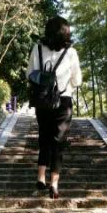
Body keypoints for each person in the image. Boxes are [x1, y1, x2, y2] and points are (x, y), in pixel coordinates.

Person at [27, 16, 82, 199]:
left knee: (44, 137)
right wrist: (64, 82)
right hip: (63, 101)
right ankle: (54, 184)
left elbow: (30, 74)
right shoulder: (71, 52)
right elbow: (77, 80)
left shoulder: (37, 48)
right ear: (66, 33)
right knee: (58, 142)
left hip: (42, 100)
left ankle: (40, 177)